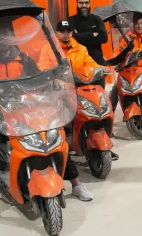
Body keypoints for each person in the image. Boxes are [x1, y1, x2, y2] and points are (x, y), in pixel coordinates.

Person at [0, 22, 94, 228]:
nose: (3, 37)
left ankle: (75, 183)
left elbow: (40, 77)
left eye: (7, 33)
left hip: (24, 111)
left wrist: (54, 82)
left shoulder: (23, 58)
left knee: (54, 140)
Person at [38, 19, 125, 161]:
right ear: (57, 33)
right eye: (63, 31)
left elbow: (89, 62)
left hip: (79, 85)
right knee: (62, 116)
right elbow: (43, 68)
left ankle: (101, 141)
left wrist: (101, 68)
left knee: (97, 106)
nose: (66, 34)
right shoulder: (49, 49)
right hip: (58, 89)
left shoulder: (80, 48)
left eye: (69, 31)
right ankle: (62, 144)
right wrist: (54, 80)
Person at [67, 0, 109, 65]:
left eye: (86, 3)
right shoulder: (70, 20)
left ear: (89, 4)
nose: (84, 5)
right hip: (77, 63)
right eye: (81, 3)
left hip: (96, 61)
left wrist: (79, 37)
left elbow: (104, 38)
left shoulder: (97, 19)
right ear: (76, 3)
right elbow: (70, 38)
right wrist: (91, 34)